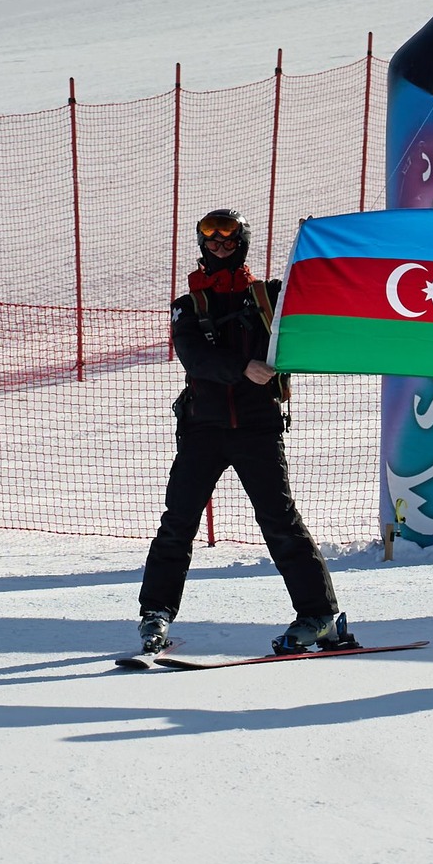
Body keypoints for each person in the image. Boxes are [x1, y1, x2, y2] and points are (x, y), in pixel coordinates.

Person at [135, 208, 355, 657]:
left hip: (257, 426)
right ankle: (155, 613)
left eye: (228, 239)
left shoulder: (270, 297)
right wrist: (243, 368)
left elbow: (308, 321)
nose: (219, 246)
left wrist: (316, 256)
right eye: (211, 240)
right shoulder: (188, 305)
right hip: (204, 428)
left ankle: (319, 616)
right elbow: (194, 359)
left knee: (280, 521)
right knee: (178, 522)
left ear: (242, 242)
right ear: (201, 246)